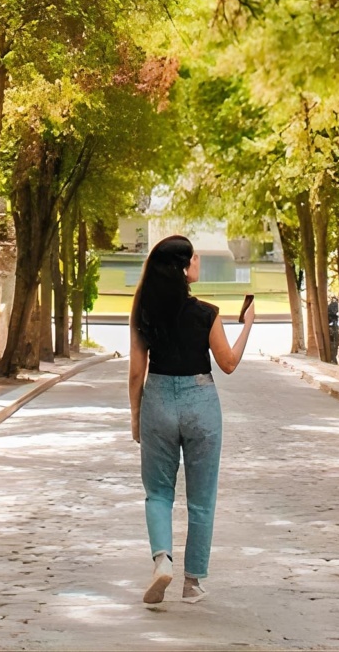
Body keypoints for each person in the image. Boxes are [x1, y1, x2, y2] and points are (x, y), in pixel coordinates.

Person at [128, 235, 255, 605]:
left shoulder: (144, 312)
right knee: (201, 499)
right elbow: (228, 363)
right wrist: (247, 324)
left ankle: (163, 560)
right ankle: (192, 582)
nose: (198, 260)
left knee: (158, 492)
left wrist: (137, 416)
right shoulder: (207, 313)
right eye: (194, 257)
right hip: (201, 401)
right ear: (184, 269)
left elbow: (137, 372)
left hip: (158, 400)